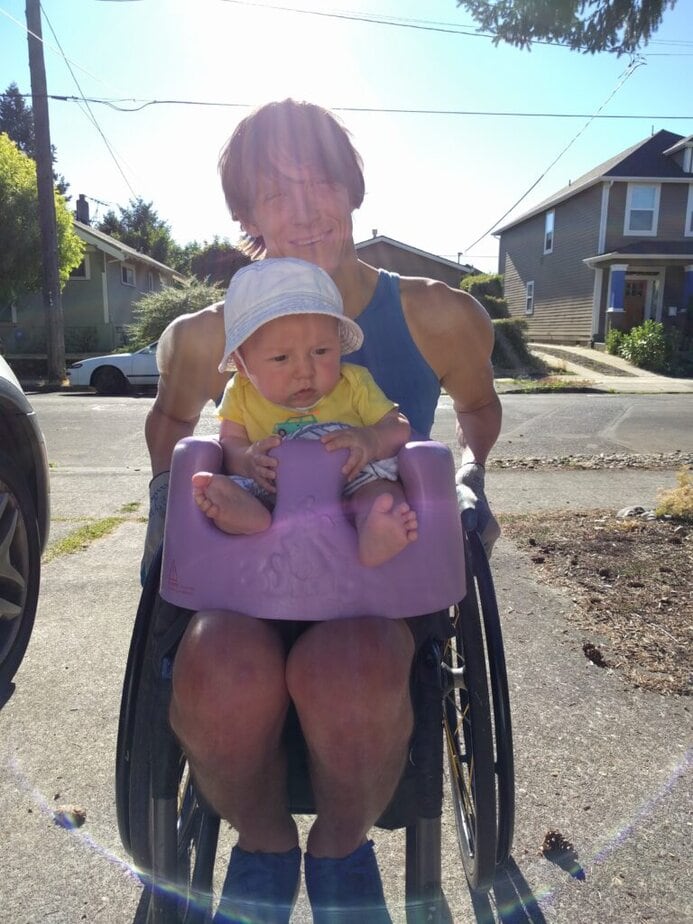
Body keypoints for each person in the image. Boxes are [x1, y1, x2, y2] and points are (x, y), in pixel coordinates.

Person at [143, 99, 501, 923]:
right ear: (245, 215)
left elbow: (478, 412)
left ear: (353, 189)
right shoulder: (208, 335)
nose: (305, 210)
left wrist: (474, 485)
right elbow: (171, 427)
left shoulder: (433, 313)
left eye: (322, 182)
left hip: (372, 578)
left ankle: (341, 847)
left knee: (350, 677)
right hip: (249, 576)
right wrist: (185, 497)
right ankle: (263, 844)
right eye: (277, 192)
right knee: (216, 674)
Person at [192, 257, 418, 568]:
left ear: (338, 346)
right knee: (233, 488)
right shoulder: (240, 391)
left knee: (382, 492)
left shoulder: (353, 382)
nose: (305, 371)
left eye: (321, 352)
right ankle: (246, 517)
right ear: (243, 365)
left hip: (350, 484)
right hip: (271, 488)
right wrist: (247, 460)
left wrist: (370, 440)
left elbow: (399, 426)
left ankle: (376, 531)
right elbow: (229, 443)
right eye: (281, 358)